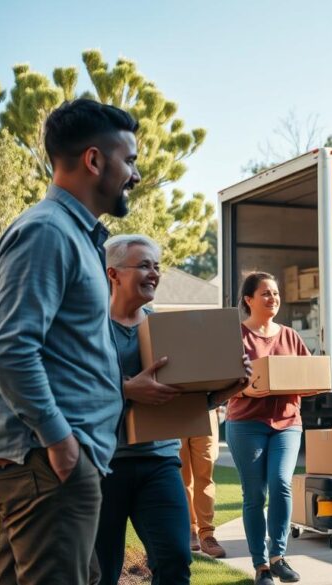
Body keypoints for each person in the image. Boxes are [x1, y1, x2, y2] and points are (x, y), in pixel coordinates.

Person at [0, 99, 138, 585]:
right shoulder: (47, 232)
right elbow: (11, 350)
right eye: (129, 161)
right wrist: (62, 444)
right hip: (46, 462)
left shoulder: (74, 236)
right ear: (93, 160)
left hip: (46, 464)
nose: (135, 175)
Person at [93, 234, 246, 585]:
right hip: (102, 466)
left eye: (157, 266)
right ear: (113, 274)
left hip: (158, 463)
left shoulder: (165, 328)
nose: (154, 273)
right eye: (144, 265)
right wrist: (127, 389)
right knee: (101, 571)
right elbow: (69, 388)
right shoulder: (89, 328)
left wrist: (228, 389)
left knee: (176, 560)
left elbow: (184, 399)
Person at [226, 272, 315, 585]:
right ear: (248, 299)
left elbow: (309, 373)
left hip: (287, 423)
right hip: (246, 424)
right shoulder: (236, 336)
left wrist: (313, 385)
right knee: (254, 494)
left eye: (275, 293)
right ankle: (261, 566)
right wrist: (245, 391)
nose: (273, 298)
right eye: (265, 293)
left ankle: (278, 557)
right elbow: (221, 381)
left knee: (281, 483)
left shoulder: (290, 336)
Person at [181, 412, 225, 558]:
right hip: (173, 411)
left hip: (205, 410)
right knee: (182, 477)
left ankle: (207, 535)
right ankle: (190, 529)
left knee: (205, 476)